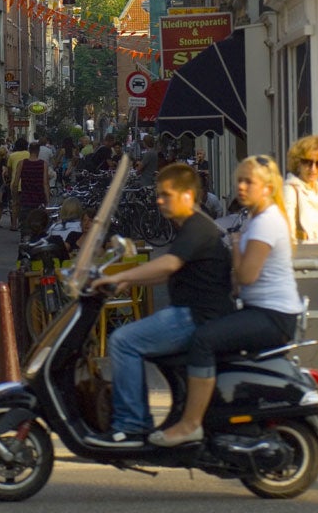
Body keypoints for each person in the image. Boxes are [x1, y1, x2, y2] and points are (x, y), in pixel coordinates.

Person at [149, 155, 303, 447]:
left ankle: (191, 424)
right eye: (239, 181)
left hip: (272, 316)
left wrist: (233, 245)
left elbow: (245, 276)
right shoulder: (257, 219)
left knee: (203, 340)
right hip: (263, 311)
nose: (241, 188)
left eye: (248, 182)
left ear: (268, 188)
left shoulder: (265, 223)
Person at [92, 163, 233, 447]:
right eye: (158, 194)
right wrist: (129, 282)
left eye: (166, 194)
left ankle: (131, 425)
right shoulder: (191, 227)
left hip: (194, 316)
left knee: (122, 341)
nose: (159, 200)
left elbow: (169, 264)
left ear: (187, 196)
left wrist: (121, 274)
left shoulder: (196, 227)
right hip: (192, 312)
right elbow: (171, 272)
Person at [283, 134, 318, 244]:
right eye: (307, 162)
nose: (313, 169)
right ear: (298, 163)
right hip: (300, 257)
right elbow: (287, 233)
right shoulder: (290, 190)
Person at [12, 141, 50, 239]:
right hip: (39, 199)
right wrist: (47, 201)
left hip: (25, 198)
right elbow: (45, 183)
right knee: (39, 225)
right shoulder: (43, 164)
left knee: (25, 225)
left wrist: (15, 198)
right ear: (38, 151)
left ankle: (25, 242)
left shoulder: (22, 163)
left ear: (29, 150)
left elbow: (16, 183)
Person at [6, 136, 30, 232]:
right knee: (27, 204)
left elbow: (9, 170)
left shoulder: (12, 156)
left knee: (15, 204)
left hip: (15, 183)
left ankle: (14, 224)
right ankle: (26, 222)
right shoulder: (29, 154)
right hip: (27, 182)